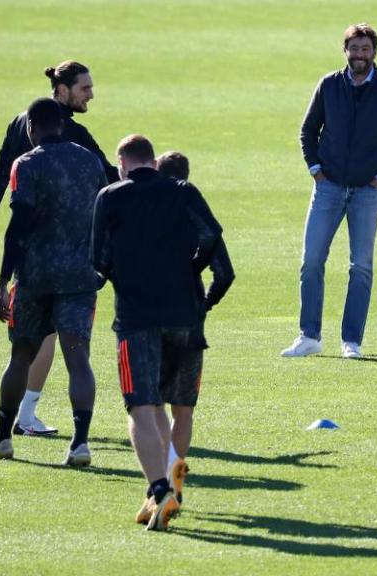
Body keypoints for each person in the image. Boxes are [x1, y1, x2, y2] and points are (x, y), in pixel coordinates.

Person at [0, 60, 119, 436]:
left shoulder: (22, 123)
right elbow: (112, 182)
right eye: (85, 88)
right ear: (63, 90)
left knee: (26, 347)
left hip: (30, 260)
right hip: (69, 259)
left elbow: (1, 179)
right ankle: (33, 418)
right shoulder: (75, 137)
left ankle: (10, 427)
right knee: (66, 349)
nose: (91, 95)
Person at [92, 136, 228, 531]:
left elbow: (97, 258)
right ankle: (169, 487)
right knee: (177, 407)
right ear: (152, 161)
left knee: (142, 405)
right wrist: (190, 269)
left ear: (122, 163)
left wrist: (124, 273)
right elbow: (211, 235)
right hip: (185, 314)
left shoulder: (110, 196)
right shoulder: (183, 191)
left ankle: (159, 490)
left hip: (137, 317)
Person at [0, 98, 107, 467]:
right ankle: (80, 444)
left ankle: (4, 438)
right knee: (78, 359)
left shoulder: (26, 164)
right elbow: (104, 214)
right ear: (62, 125)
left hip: (35, 277)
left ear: (31, 128)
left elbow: (17, 227)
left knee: (20, 356)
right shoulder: (89, 160)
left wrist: (2, 280)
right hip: (80, 276)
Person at [282, 23, 377, 359]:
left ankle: (351, 341)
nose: (359, 55)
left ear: (374, 52)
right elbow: (308, 131)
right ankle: (309, 336)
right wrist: (316, 170)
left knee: (361, 267)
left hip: (367, 192)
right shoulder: (328, 85)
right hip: (328, 188)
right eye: (354, 48)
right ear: (345, 51)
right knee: (311, 261)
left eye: (365, 49)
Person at [155, 150, 235, 487]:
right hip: (189, 318)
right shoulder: (198, 216)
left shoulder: (147, 212)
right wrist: (205, 304)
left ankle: (158, 475)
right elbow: (225, 275)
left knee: (151, 403)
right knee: (183, 408)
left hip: (151, 315)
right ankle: (175, 474)